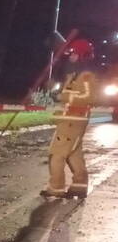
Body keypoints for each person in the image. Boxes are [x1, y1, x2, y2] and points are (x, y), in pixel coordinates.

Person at [42, 43, 95, 199]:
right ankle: (79, 186)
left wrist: (62, 97)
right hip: (70, 119)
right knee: (74, 154)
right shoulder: (74, 75)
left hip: (74, 120)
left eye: (73, 53)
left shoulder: (86, 75)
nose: (70, 56)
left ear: (81, 55)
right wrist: (55, 92)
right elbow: (68, 95)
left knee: (56, 154)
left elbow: (89, 97)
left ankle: (56, 188)